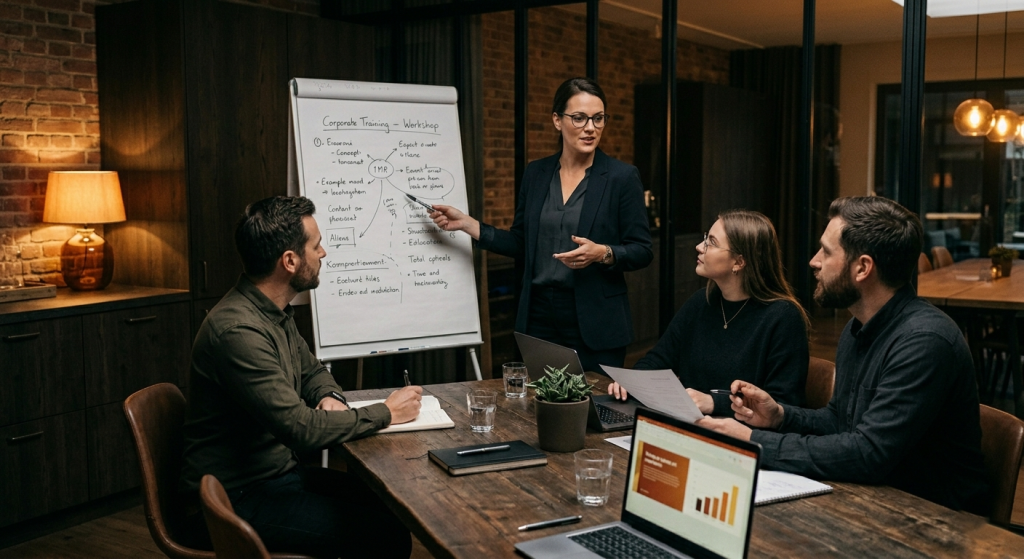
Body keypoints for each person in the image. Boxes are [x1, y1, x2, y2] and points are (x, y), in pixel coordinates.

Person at [700, 196, 990, 514]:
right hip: (877, 501)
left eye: (826, 251)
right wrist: (780, 416)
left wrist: (754, 440)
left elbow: (868, 453)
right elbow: (841, 421)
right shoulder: (858, 326)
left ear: (862, 267)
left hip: (937, 520)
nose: (814, 261)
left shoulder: (924, 342)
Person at [178, 196, 420, 558]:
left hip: (276, 477)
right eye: (315, 245)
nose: (322, 253)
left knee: (390, 503)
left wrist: (330, 398)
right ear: (290, 261)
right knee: (385, 536)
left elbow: (313, 372)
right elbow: (300, 430)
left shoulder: (273, 310)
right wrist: (386, 413)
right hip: (232, 499)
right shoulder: (238, 331)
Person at [429, 77, 653, 372]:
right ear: (557, 121)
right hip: (539, 316)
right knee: (538, 407)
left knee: (593, 410)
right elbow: (522, 242)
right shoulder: (536, 173)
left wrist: (603, 253)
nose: (591, 128)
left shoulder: (621, 178)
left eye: (598, 119)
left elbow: (642, 250)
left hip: (593, 319)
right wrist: (470, 225)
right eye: (579, 118)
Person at [607, 210, 809, 416]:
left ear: (739, 262)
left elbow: (781, 405)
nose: (699, 247)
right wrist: (633, 382)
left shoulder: (783, 317)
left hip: (743, 437)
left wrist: (715, 403)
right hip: (690, 424)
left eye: (711, 242)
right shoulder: (701, 302)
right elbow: (658, 358)